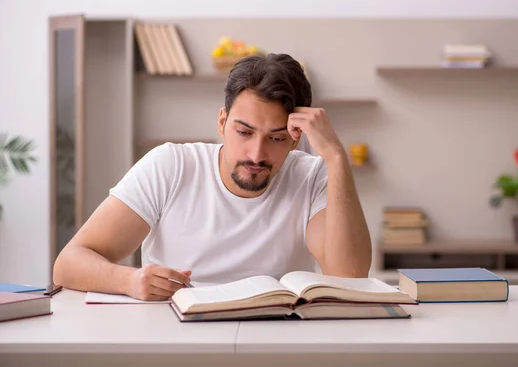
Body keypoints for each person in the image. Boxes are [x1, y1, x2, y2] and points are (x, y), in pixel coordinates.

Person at [53, 53, 372, 301]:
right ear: (222, 122)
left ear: (295, 137)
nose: (256, 154)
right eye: (244, 132)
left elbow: (350, 276)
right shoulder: (171, 165)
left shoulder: (311, 175)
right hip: (177, 342)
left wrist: (335, 156)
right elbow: (67, 264)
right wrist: (129, 280)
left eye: (275, 138)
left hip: (273, 344)